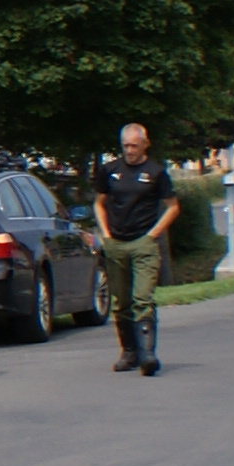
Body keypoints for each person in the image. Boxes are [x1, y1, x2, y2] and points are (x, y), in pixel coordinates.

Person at [90, 123, 179, 378]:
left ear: (145, 145)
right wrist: (106, 234)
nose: (129, 151)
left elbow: (173, 206)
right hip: (116, 243)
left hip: (143, 242)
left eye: (134, 146)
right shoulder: (110, 171)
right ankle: (129, 352)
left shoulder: (156, 172)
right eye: (125, 146)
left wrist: (153, 234)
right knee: (121, 301)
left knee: (143, 298)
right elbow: (99, 203)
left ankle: (147, 354)